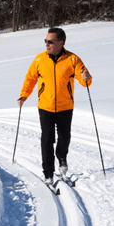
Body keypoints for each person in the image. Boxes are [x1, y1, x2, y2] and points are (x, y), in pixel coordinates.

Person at [17, 27, 92, 184]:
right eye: (46, 41)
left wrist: (86, 77)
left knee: (64, 138)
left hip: (65, 107)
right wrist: (24, 95)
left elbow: (84, 79)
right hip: (45, 106)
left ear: (61, 42)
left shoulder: (72, 59)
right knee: (47, 139)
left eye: (50, 41)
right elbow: (30, 79)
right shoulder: (39, 60)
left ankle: (62, 158)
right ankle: (48, 172)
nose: (47, 44)